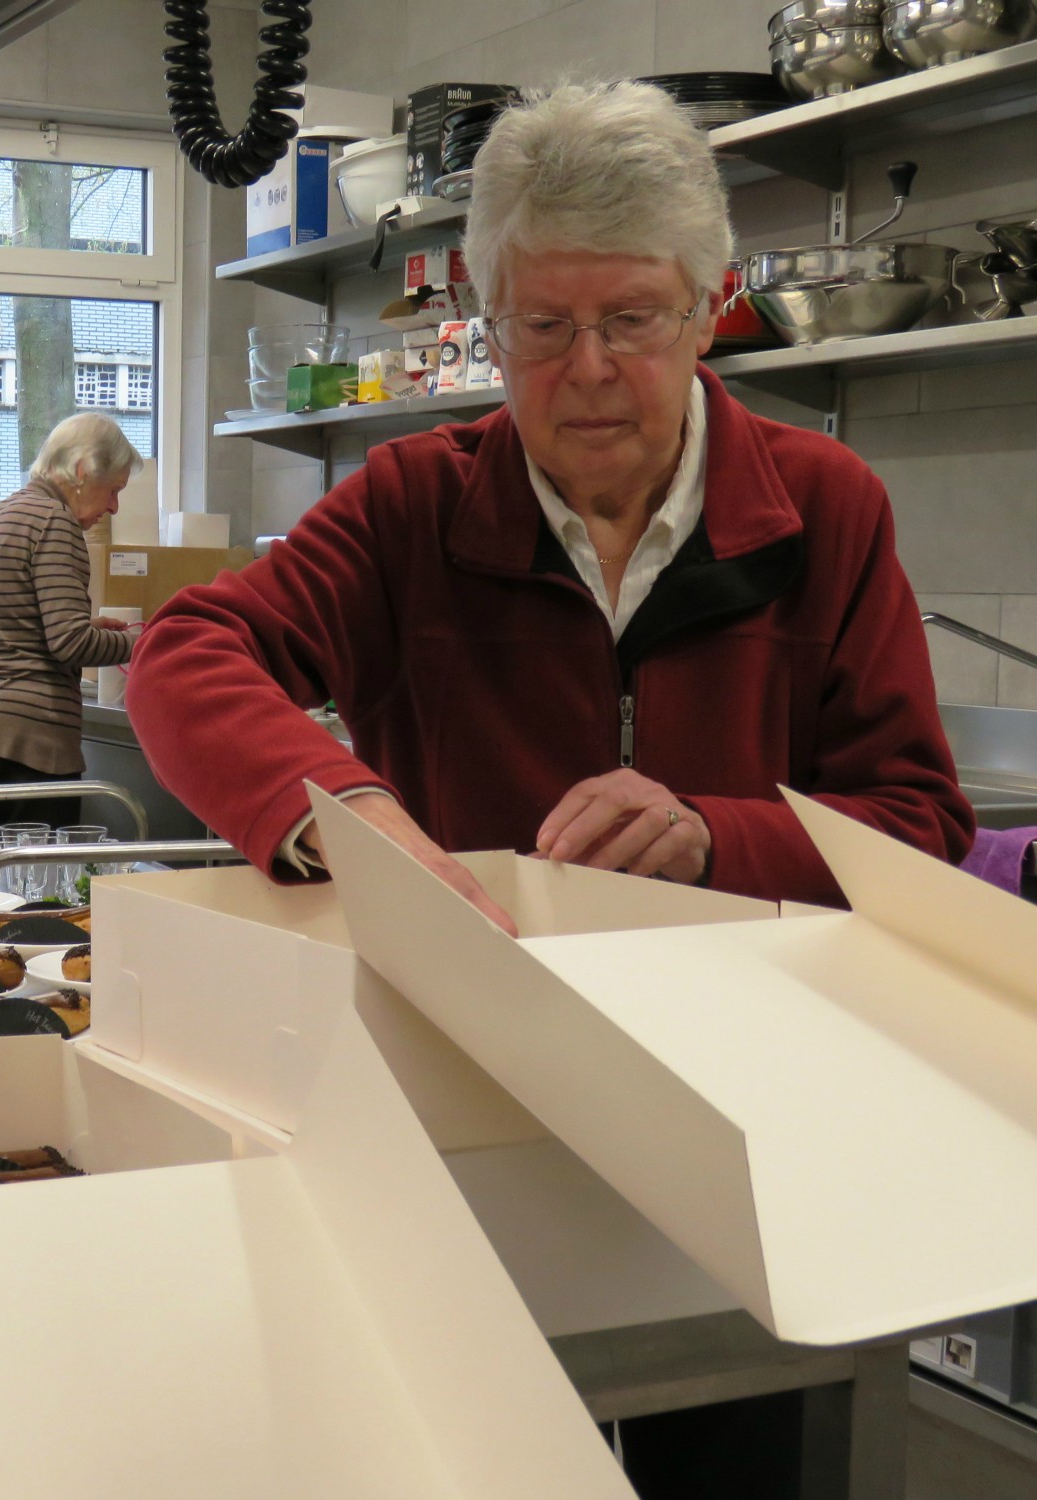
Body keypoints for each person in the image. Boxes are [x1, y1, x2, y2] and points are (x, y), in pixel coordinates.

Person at [128, 80, 970, 928]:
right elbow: (180, 658)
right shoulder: (413, 504)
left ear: (708, 310)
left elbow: (917, 827)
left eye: (633, 319)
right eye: (542, 326)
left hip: (741, 1036)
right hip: (472, 1022)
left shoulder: (824, 505)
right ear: (490, 327)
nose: (590, 368)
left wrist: (712, 839)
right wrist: (349, 815)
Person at [0, 413, 140, 828]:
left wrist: (88, 625)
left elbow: (12, 627)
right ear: (83, 470)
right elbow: (70, 645)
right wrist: (147, 644)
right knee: (40, 889)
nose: (113, 507)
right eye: (113, 490)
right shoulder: (56, 521)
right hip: (31, 747)